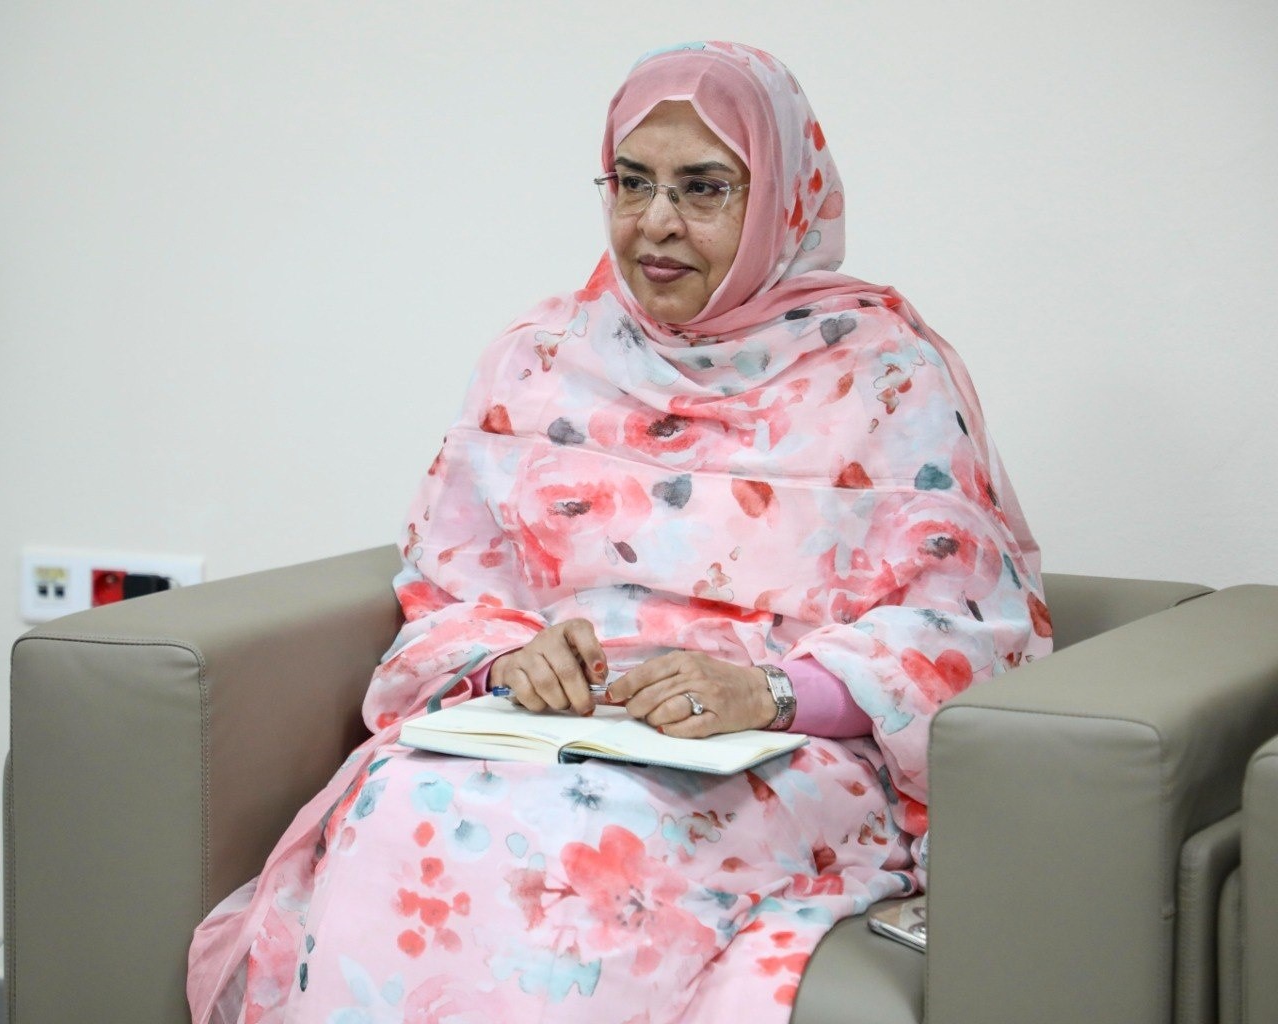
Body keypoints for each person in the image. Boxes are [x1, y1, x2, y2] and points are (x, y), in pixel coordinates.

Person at [188, 40, 1052, 1024]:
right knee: (399, 809)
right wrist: (511, 658)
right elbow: (447, 589)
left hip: (766, 751)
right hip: (541, 733)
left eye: (703, 187)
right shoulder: (540, 360)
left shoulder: (886, 373)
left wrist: (768, 692)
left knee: (586, 854)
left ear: (780, 197)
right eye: (631, 182)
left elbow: (961, 632)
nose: (656, 222)